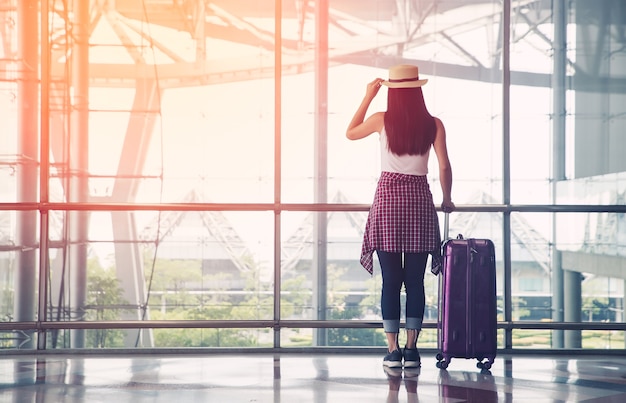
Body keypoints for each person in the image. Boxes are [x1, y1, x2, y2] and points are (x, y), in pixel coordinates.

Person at [346, 64, 455, 368]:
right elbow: (444, 166)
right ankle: (412, 349)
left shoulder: (382, 120)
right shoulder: (434, 124)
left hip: (388, 203)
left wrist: (368, 96)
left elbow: (350, 132)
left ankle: (392, 350)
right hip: (419, 202)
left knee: (391, 282)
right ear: (418, 90)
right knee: (416, 283)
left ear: (392, 92)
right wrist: (447, 199)